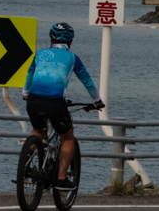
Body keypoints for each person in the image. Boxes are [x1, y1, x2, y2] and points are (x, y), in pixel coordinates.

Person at [22, 22, 104, 190]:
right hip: (55, 102)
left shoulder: (40, 54)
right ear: (70, 41)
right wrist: (97, 101)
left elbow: (30, 73)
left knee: (37, 130)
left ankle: (25, 162)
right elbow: (87, 81)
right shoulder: (72, 58)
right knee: (67, 137)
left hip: (33, 100)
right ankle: (60, 178)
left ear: (51, 38)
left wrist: (25, 93)